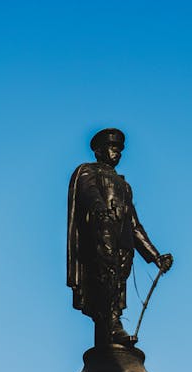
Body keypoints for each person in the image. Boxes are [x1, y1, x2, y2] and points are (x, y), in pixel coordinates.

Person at [67, 128, 173, 347]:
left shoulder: (124, 186)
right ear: (98, 150)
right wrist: (100, 210)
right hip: (101, 238)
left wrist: (155, 256)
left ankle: (113, 324)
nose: (117, 153)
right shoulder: (88, 171)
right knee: (106, 279)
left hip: (122, 244)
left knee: (117, 282)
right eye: (112, 147)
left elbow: (134, 225)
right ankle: (112, 326)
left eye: (120, 149)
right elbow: (89, 194)